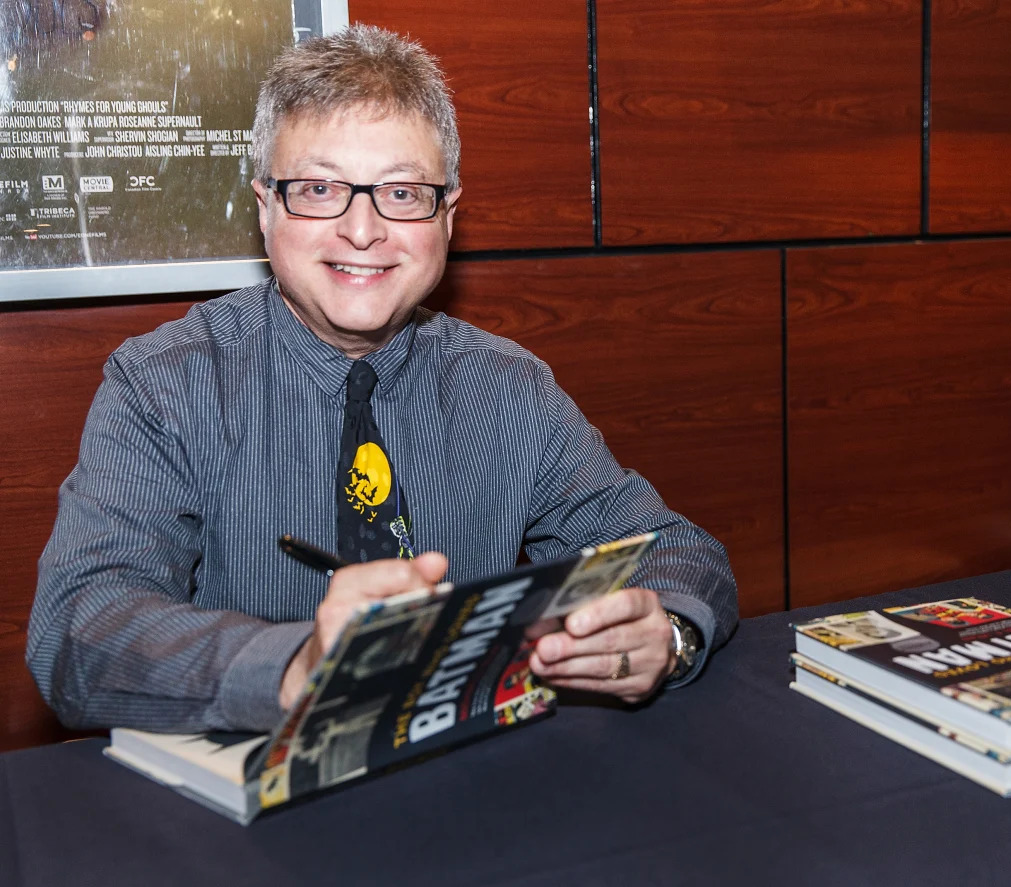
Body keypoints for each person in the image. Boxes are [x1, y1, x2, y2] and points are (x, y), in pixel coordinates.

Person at [26, 25, 738, 734]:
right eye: (318, 187)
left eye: (401, 192)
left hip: (472, 789)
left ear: (447, 218)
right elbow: (79, 631)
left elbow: (676, 550)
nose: (362, 229)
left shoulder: (510, 389)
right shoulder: (164, 385)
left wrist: (668, 634)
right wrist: (298, 666)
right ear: (266, 206)